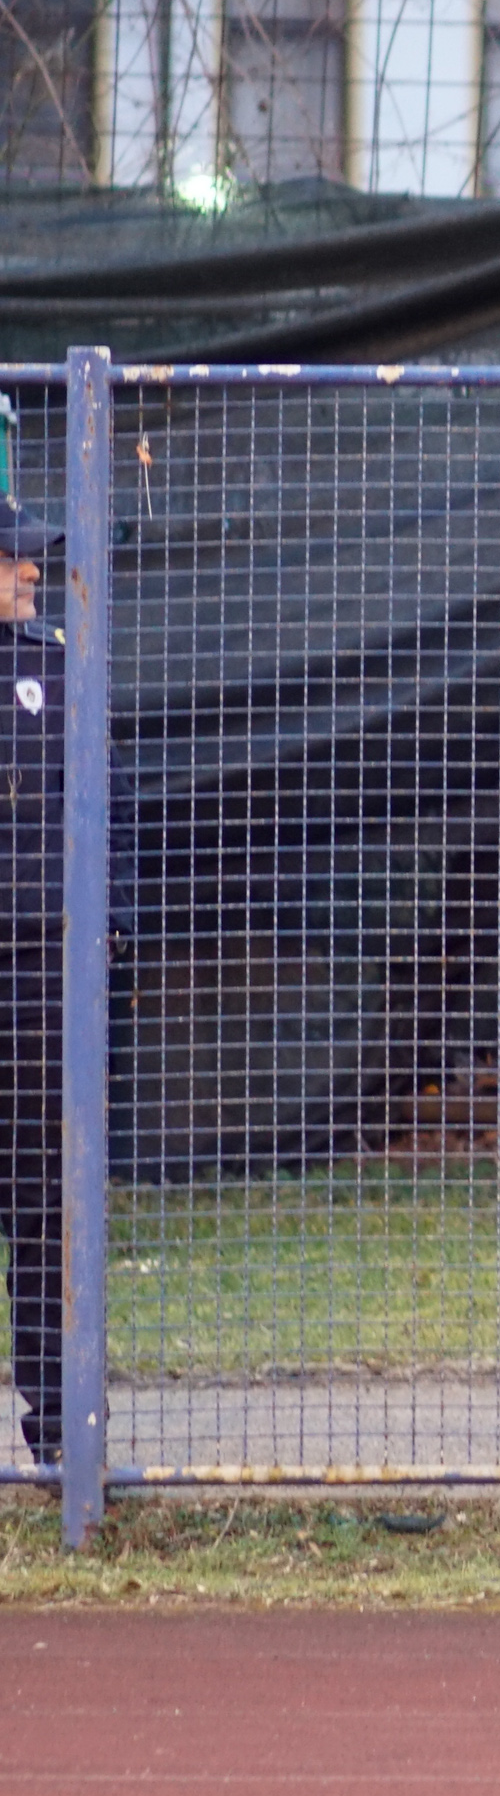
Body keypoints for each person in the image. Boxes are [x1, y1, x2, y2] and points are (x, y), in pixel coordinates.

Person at [0, 502, 106, 1471]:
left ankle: (61, 1430)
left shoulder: (54, 664)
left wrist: (106, 929)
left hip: (37, 970)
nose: (32, 575)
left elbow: (97, 803)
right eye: (15, 562)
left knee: (42, 1201)